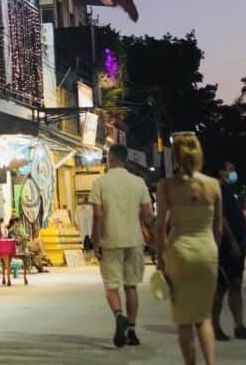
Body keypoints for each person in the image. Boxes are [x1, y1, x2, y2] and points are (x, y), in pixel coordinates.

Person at [154, 132, 223, 365]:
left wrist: (160, 258)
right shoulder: (214, 186)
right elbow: (219, 228)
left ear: (175, 156)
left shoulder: (166, 186)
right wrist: (214, 252)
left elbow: (160, 226)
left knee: (184, 320)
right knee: (204, 317)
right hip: (207, 252)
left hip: (179, 252)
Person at [90, 144, 154, 348]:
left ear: (110, 159)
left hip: (110, 241)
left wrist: (96, 239)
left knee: (111, 286)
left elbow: (98, 215)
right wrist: (154, 237)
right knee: (131, 286)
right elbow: (148, 215)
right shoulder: (138, 183)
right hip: (134, 240)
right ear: (125, 160)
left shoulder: (100, 183)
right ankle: (132, 331)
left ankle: (119, 316)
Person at [212, 163, 246, 341]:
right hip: (226, 247)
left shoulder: (230, 191)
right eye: (229, 170)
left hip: (237, 245)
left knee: (235, 285)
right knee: (220, 288)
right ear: (221, 172)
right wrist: (233, 243)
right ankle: (214, 326)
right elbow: (222, 218)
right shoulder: (220, 190)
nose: (233, 173)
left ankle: (239, 326)